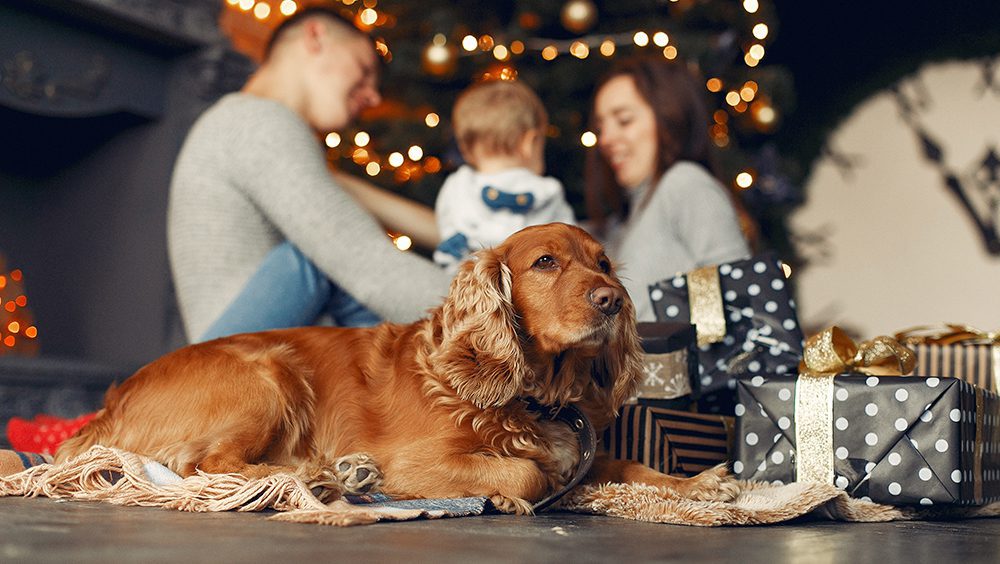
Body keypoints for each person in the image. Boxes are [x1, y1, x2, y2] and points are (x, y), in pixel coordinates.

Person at [168, 6, 452, 343]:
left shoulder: (241, 127)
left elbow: (388, 228)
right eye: (364, 70)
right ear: (315, 37)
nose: (374, 95)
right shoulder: (259, 121)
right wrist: (501, 314)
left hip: (236, 360)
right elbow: (368, 263)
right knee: (324, 260)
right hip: (236, 368)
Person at [584, 56, 754, 322]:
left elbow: (739, 301)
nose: (605, 139)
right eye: (600, 127)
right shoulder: (622, 224)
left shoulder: (684, 184)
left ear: (669, 118)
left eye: (624, 120)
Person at [432, 79, 575, 271]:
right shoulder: (548, 192)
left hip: (473, 289)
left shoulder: (457, 186)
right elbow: (573, 246)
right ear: (529, 143)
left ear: (465, 150)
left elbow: (447, 233)